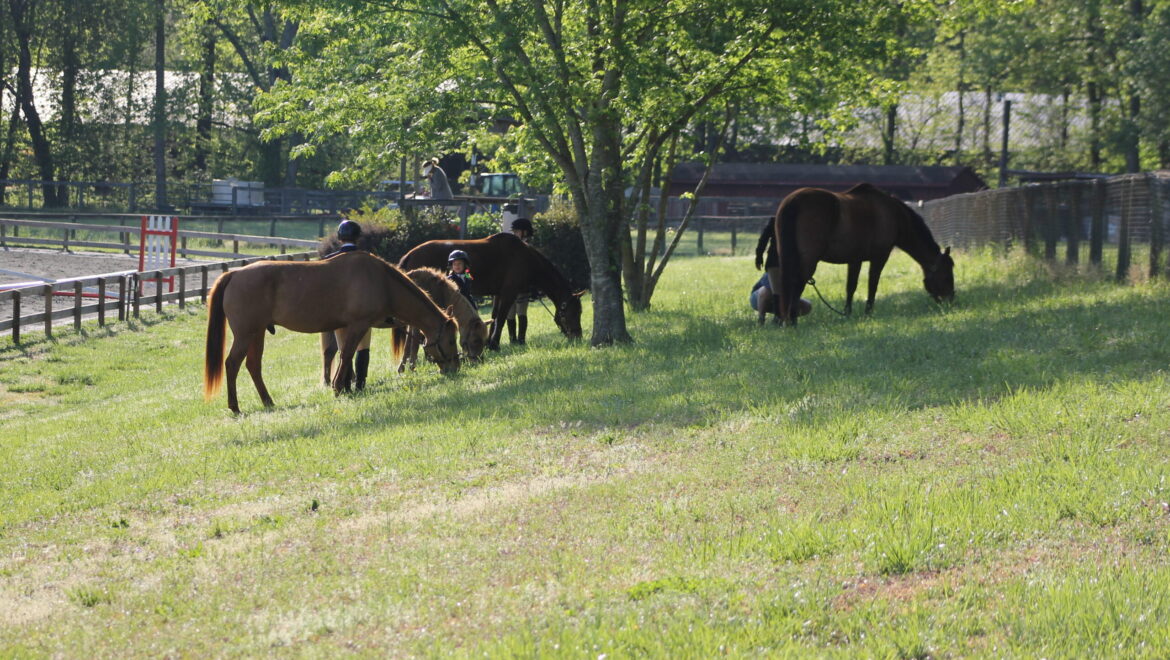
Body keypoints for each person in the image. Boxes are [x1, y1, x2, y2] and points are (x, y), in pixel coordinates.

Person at [324, 218, 372, 389]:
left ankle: (345, 383)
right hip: (361, 311)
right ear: (358, 238)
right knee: (362, 347)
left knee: (343, 347)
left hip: (337, 312)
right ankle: (360, 383)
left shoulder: (329, 260)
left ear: (339, 238)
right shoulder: (367, 259)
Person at [506, 218, 534, 344]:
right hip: (510, 285)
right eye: (514, 232)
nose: (514, 234)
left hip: (523, 286)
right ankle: (512, 338)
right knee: (510, 314)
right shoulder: (512, 246)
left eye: (517, 231)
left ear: (525, 232)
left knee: (521, 312)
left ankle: (521, 338)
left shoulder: (529, 247)